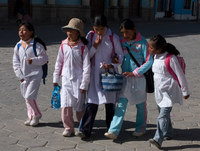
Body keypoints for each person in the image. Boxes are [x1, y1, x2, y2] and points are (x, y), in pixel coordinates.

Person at [104, 18, 153, 140]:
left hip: (139, 79)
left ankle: (140, 128)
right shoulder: (121, 42)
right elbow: (116, 55)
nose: (125, 35)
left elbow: (149, 61)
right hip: (125, 78)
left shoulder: (143, 43)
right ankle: (113, 131)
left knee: (141, 106)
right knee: (121, 104)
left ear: (134, 29)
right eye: (122, 33)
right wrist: (114, 61)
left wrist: (136, 72)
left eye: (128, 32)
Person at [77, 14, 124, 139]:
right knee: (92, 102)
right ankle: (85, 130)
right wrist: (95, 46)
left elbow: (120, 55)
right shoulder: (90, 36)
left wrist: (113, 62)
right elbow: (86, 56)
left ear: (106, 27)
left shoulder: (113, 37)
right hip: (94, 74)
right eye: (96, 29)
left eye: (101, 29)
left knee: (110, 103)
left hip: (109, 75)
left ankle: (111, 129)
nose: (99, 32)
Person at [148, 35, 190, 148]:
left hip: (169, 91)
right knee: (163, 113)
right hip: (159, 91)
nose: (149, 49)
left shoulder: (171, 58)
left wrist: (185, 91)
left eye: (151, 48)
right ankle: (169, 132)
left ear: (160, 49)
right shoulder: (155, 56)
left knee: (163, 115)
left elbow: (180, 75)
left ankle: (158, 139)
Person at [53, 18, 91, 137]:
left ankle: (82, 127)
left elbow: (87, 67)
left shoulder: (83, 47)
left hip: (78, 81)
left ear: (78, 32)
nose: (69, 33)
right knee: (65, 105)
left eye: (72, 30)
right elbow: (59, 62)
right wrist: (55, 78)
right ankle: (68, 128)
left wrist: (84, 84)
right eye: (68, 30)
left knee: (79, 107)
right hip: (65, 80)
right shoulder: (63, 44)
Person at [13, 21, 48, 126]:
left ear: (31, 32)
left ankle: (37, 114)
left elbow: (44, 58)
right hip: (24, 76)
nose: (21, 32)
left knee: (29, 96)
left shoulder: (37, 45)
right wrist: (20, 75)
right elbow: (15, 62)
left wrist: (34, 60)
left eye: (24, 30)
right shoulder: (18, 45)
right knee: (26, 97)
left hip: (35, 75)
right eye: (20, 30)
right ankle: (31, 116)